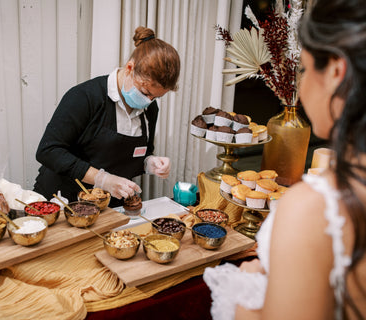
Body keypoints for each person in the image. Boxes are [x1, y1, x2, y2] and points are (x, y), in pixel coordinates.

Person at [203, 0, 366, 319]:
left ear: (335, 71)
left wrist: (245, 290)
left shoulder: (314, 206)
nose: (300, 86)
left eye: (303, 69)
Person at [33, 27, 180, 207]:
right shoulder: (85, 97)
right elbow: (48, 151)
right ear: (129, 68)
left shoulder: (149, 109)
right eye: (145, 92)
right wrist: (102, 179)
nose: (148, 101)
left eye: (156, 97)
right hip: (62, 201)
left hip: (108, 208)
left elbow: (134, 153)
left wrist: (149, 162)